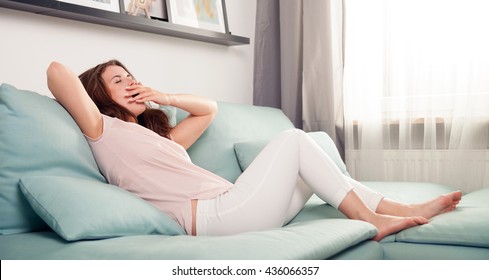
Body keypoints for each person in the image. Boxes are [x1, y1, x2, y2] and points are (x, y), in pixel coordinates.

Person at [46, 60, 462, 241]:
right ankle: (372, 220)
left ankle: (398, 209)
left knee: (310, 163)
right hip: (215, 219)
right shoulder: (104, 130)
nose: (132, 82)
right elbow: (56, 72)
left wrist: (162, 95)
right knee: (295, 140)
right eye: (120, 80)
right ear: (98, 94)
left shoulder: (160, 140)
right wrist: (91, 99)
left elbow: (207, 110)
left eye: (133, 75)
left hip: (237, 207)